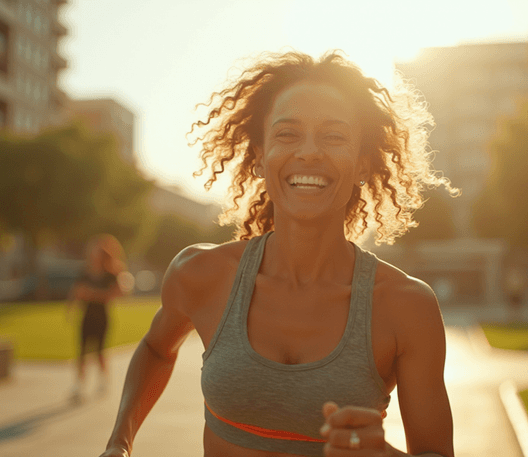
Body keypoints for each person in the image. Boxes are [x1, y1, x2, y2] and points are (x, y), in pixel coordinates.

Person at [99, 51, 456, 457]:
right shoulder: (200, 273)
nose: (309, 152)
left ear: (361, 163)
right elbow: (155, 349)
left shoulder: (407, 306)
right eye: (287, 134)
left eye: (334, 136)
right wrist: (119, 443)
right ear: (259, 157)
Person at [68, 234, 126, 400]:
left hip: (102, 316)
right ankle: (78, 384)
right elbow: (76, 292)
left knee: (100, 351)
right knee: (82, 350)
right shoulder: (85, 273)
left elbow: (116, 294)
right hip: (86, 316)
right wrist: (71, 307)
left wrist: (92, 294)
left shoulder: (110, 275)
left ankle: (103, 380)